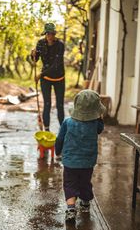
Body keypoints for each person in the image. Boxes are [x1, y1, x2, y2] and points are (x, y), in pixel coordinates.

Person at [55, 89, 106, 222]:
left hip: (70, 162)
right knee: (85, 182)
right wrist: (100, 118)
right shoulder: (95, 124)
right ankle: (85, 203)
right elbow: (100, 129)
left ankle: (71, 209)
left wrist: (57, 150)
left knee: (70, 184)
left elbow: (60, 139)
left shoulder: (67, 122)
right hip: (87, 162)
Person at [31, 23, 65, 131]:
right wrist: (33, 54)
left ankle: (62, 130)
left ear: (55, 34)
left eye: (52, 34)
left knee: (60, 105)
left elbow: (56, 64)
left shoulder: (60, 45)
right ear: (46, 34)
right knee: (47, 104)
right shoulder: (40, 43)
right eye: (48, 34)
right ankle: (47, 129)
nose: (50, 36)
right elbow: (35, 60)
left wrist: (40, 74)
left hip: (59, 78)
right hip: (46, 79)